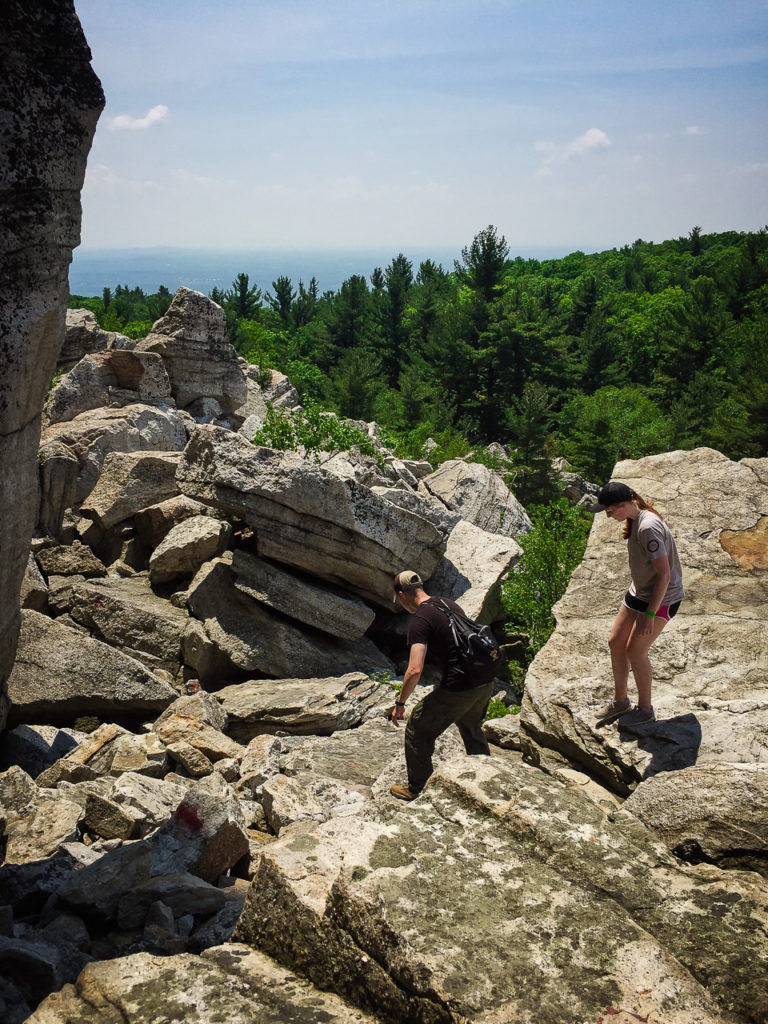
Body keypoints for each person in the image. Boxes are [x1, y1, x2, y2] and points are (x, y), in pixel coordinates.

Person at [389, 570, 494, 801]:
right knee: (470, 724)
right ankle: (490, 777)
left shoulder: (420, 620)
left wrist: (400, 703)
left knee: (417, 728)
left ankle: (418, 790)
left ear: (402, 595)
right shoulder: (448, 603)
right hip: (485, 678)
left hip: (461, 685)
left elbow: (415, 669)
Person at [593, 481, 684, 727]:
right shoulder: (635, 518)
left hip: (662, 597)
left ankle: (645, 710)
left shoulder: (648, 527)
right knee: (615, 641)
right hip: (640, 591)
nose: (607, 514)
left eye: (610, 510)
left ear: (623, 505)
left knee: (635, 650)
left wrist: (650, 614)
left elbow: (664, 575)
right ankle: (621, 701)